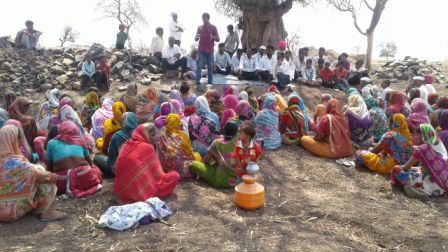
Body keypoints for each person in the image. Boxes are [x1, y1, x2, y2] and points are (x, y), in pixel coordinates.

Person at [0, 125, 67, 222]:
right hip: (10, 212)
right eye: (19, 139)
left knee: (32, 173)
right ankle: (45, 212)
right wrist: (57, 177)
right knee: (41, 173)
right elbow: (44, 178)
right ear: (14, 140)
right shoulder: (16, 162)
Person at [114, 123, 180, 204]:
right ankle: (142, 194)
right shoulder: (148, 148)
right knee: (175, 176)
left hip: (121, 191)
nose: (153, 139)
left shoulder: (126, 145)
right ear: (144, 134)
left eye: (154, 135)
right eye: (152, 136)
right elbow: (158, 176)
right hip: (140, 193)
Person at [46, 121, 102, 197]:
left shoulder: (51, 143)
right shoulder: (81, 141)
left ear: (61, 130)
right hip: (85, 176)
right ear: (76, 130)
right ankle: (85, 185)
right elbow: (90, 163)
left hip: (63, 182)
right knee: (95, 169)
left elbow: (49, 168)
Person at [392, 124, 448, 198]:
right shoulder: (437, 143)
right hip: (443, 186)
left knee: (396, 169)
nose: (415, 137)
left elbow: (405, 168)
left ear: (422, 135)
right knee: (416, 169)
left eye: (416, 134)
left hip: (430, 186)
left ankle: (420, 192)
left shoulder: (422, 149)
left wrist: (398, 166)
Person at [190, 121, 238, 188]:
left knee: (192, 163)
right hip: (235, 181)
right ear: (236, 132)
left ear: (224, 130)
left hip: (219, 180)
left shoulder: (217, 142)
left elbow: (206, 161)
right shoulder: (239, 144)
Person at [156, 114, 200, 180]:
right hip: (182, 170)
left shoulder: (161, 135)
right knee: (197, 156)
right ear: (177, 123)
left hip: (164, 168)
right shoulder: (181, 136)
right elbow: (189, 153)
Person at [94, 112, 137, 177]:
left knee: (97, 158)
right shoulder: (140, 133)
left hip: (122, 171)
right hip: (139, 168)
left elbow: (111, 160)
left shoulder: (117, 136)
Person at [195, 12, 220, 91]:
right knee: (199, 66)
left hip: (210, 50)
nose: (203, 20)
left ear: (208, 18)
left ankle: (209, 84)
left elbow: (218, 39)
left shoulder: (213, 27)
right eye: (202, 18)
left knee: (210, 67)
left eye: (205, 18)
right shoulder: (199, 27)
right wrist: (196, 37)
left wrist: (213, 37)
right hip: (201, 49)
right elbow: (196, 37)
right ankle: (197, 83)